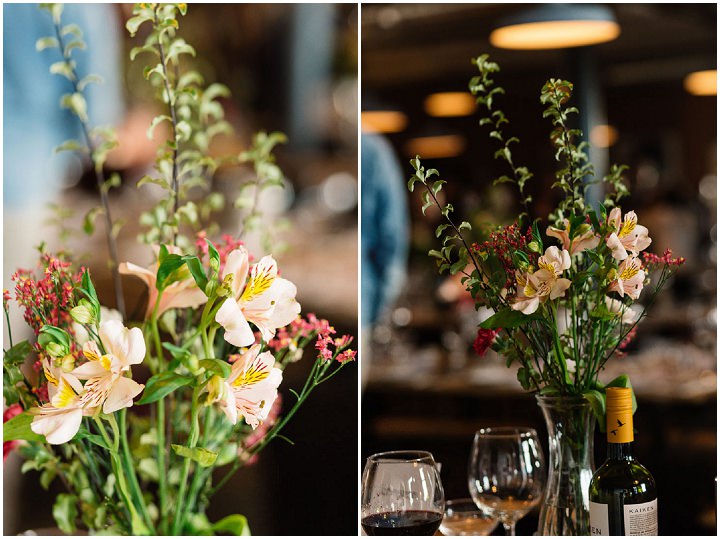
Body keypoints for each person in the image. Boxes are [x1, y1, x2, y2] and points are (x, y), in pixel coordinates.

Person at [360, 132, 410, 386]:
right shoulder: (373, 149)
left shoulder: (372, 149)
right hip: (364, 300)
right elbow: (392, 238)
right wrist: (382, 308)